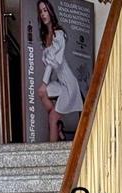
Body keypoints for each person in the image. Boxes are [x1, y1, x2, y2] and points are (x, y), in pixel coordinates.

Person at [37, 1, 83, 142]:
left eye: (45, 10)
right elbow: (48, 65)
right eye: (41, 11)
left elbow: (53, 62)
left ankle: (52, 148)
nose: (43, 14)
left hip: (69, 84)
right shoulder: (46, 37)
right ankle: (58, 126)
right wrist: (45, 85)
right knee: (42, 93)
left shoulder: (59, 34)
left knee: (52, 116)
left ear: (50, 11)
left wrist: (44, 83)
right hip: (59, 83)